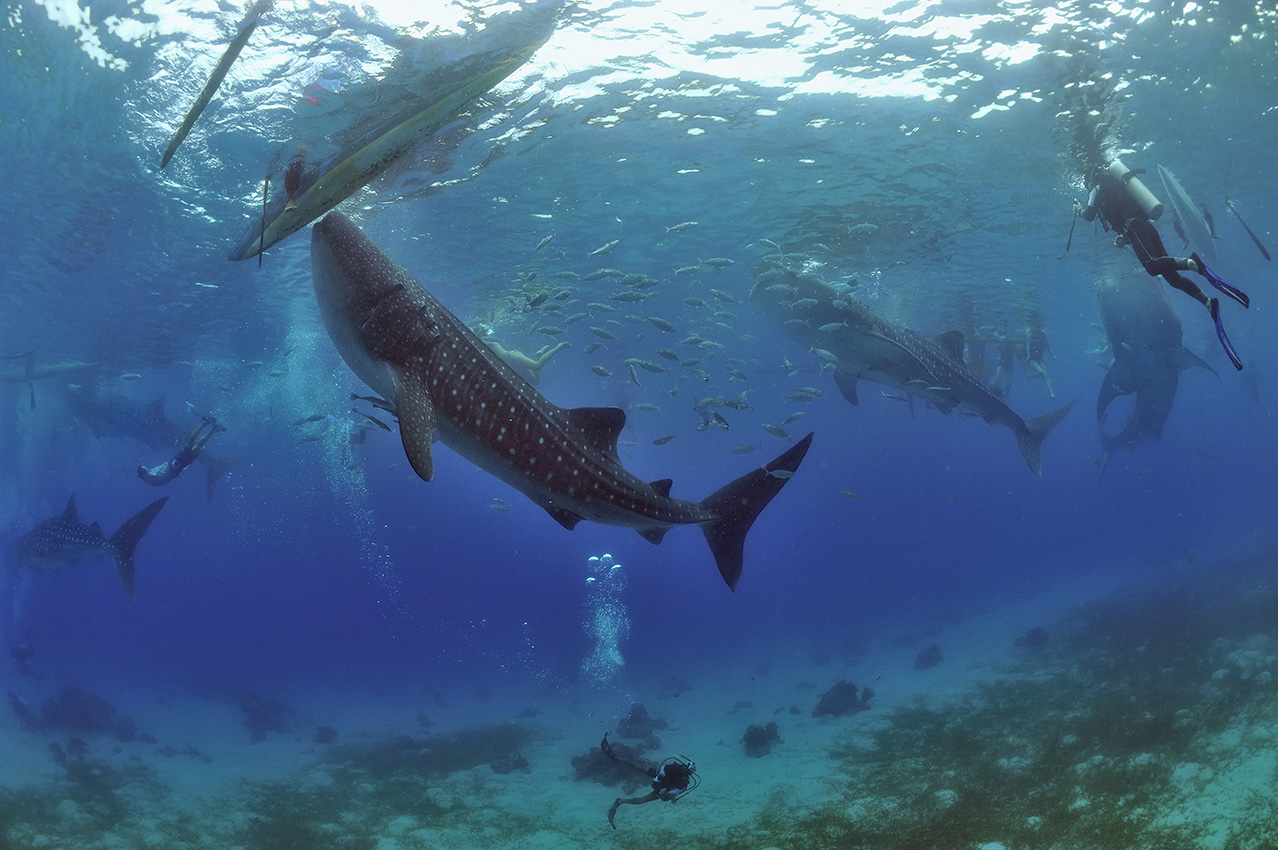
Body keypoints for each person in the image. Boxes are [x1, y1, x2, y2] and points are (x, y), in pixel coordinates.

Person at [1076, 161, 1250, 370]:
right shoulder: (1114, 187)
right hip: (1145, 228)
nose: (1086, 186)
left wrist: (1078, 210)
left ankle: (1192, 263)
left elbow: (1088, 215)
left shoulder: (1097, 187)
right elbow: (1122, 213)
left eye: (1085, 182)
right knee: (1171, 278)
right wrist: (1124, 237)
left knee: (1151, 267)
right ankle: (1207, 302)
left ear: (1089, 178)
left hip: (1135, 228)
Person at [600, 732, 699, 829]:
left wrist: (664, 794)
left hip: (662, 789)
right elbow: (663, 768)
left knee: (642, 799)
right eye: (685, 768)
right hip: (659, 777)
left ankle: (619, 802)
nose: (684, 771)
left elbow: (667, 797)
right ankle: (615, 758)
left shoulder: (683, 784)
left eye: (686, 771)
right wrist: (658, 780)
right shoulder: (676, 768)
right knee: (636, 766)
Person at [138, 416, 224, 486]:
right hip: (173, 464)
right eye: (143, 468)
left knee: (195, 446)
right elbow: (160, 467)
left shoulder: (150, 477)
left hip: (177, 468)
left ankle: (212, 429)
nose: (145, 467)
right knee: (189, 444)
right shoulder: (150, 474)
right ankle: (206, 425)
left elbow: (160, 475)